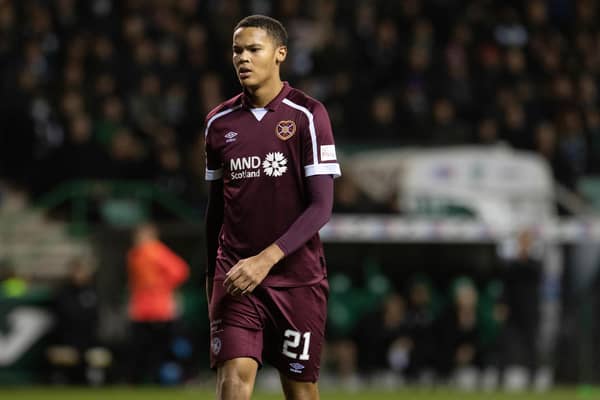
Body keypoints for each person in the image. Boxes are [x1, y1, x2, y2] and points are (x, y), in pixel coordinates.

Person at [204, 15, 341, 400]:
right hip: (235, 274)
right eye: (237, 51)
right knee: (234, 378)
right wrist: (209, 273)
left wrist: (266, 260)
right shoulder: (218, 123)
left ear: (279, 54)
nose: (242, 58)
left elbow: (321, 207)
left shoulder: (308, 116)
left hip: (296, 280)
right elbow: (215, 211)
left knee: (300, 390)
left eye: (253, 49)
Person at [126, 222, 189, 383]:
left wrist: (162, 287)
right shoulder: (134, 255)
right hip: (142, 309)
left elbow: (180, 271)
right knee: (143, 347)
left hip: (159, 310)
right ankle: (143, 378)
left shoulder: (156, 252)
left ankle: (159, 378)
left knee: (158, 348)